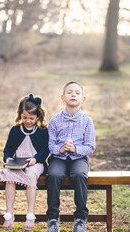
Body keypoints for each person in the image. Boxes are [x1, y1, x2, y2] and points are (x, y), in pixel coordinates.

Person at [0, 94, 49, 231]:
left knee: (30, 174)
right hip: (17, 163)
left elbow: (45, 150)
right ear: (19, 116)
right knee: (9, 177)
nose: (28, 121)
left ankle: (30, 215)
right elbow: (8, 149)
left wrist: (36, 159)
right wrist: (8, 158)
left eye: (31, 118)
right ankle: (9, 214)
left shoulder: (42, 131)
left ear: (38, 117)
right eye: (24, 118)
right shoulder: (15, 130)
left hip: (36, 163)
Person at [46, 81, 95, 232]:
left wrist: (75, 149)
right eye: (69, 92)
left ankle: (80, 218)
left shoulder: (87, 121)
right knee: (53, 174)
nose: (73, 94)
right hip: (58, 158)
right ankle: (53, 218)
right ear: (63, 97)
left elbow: (90, 146)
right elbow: (50, 144)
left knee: (80, 174)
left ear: (83, 99)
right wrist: (60, 149)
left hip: (78, 158)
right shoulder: (54, 120)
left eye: (77, 92)